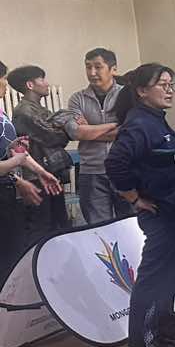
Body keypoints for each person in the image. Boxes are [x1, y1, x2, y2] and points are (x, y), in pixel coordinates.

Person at [105, 63, 175, 347]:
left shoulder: (156, 120)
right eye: (163, 84)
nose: (169, 90)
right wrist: (135, 198)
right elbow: (115, 163)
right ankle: (141, 343)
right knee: (154, 277)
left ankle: (165, 328)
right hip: (161, 212)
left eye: (172, 84)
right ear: (142, 91)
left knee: (171, 274)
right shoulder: (139, 124)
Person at [0, 79, 64, 282]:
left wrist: (40, 172)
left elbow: (12, 150)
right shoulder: (23, 111)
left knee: (12, 249)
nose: (6, 84)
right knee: (8, 254)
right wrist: (16, 162)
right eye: (2, 78)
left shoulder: (1, 113)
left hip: (7, 188)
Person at [62, 48, 129, 224]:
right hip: (92, 172)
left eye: (98, 67)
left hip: (126, 168)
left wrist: (90, 131)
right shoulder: (77, 98)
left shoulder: (127, 95)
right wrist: (115, 125)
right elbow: (75, 132)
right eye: (88, 67)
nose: (92, 73)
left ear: (113, 69)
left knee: (131, 225)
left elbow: (130, 132)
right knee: (98, 228)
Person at [7, 66, 71, 232]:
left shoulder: (39, 109)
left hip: (49, 171)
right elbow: (54, 137)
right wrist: (69, 128)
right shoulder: (24, 111)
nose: (47, 83)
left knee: (59, 222)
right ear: (30, 85)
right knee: (44, 226)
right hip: (37, 175)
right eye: (42, 79)